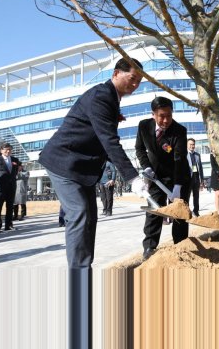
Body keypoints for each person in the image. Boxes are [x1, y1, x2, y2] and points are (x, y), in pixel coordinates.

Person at [37, 57, 147, 349]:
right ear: (116, 73)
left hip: (82, 168)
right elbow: (109, 141)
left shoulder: (110, 101)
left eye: (139, 81)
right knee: (80, 215)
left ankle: (84, 271)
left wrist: (113, 119)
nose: (134, 84)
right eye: (131, 78)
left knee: (91, 218)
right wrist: (132, 178)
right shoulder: (101, 96)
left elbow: (101, 130)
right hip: (63, 162)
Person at [135, 96, 191, 259]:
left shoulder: (179, 130)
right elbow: (139, 149)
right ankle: (149, 247)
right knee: (155, 211)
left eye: (169, 115)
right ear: (153, 114)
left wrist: (178, 187)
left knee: (179, 213)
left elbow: (179, 159)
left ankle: (181, 245)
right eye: (162, 116)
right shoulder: (144, 126)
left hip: (179, 176)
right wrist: (146, 166)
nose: (166, 120)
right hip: (155, 176)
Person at [0, 143, 22, 233]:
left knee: (10, 207)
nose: (8, 151)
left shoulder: (15, 160)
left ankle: (8, 225)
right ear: (1, 150)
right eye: (6, 149)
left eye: (9, 149)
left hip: (11, 186)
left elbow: (15, 171)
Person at [186, 138, 204, 217]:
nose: (192, 146)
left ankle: (196, 211)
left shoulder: (197, 155)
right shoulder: (184, 154)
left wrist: (202, 180)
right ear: (187, 145)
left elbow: (200, 168)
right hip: (188, 179)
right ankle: (186, 212)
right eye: (190, 144)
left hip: (196, 178)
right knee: (187, 197)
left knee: (196, 196)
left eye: (193, 144)